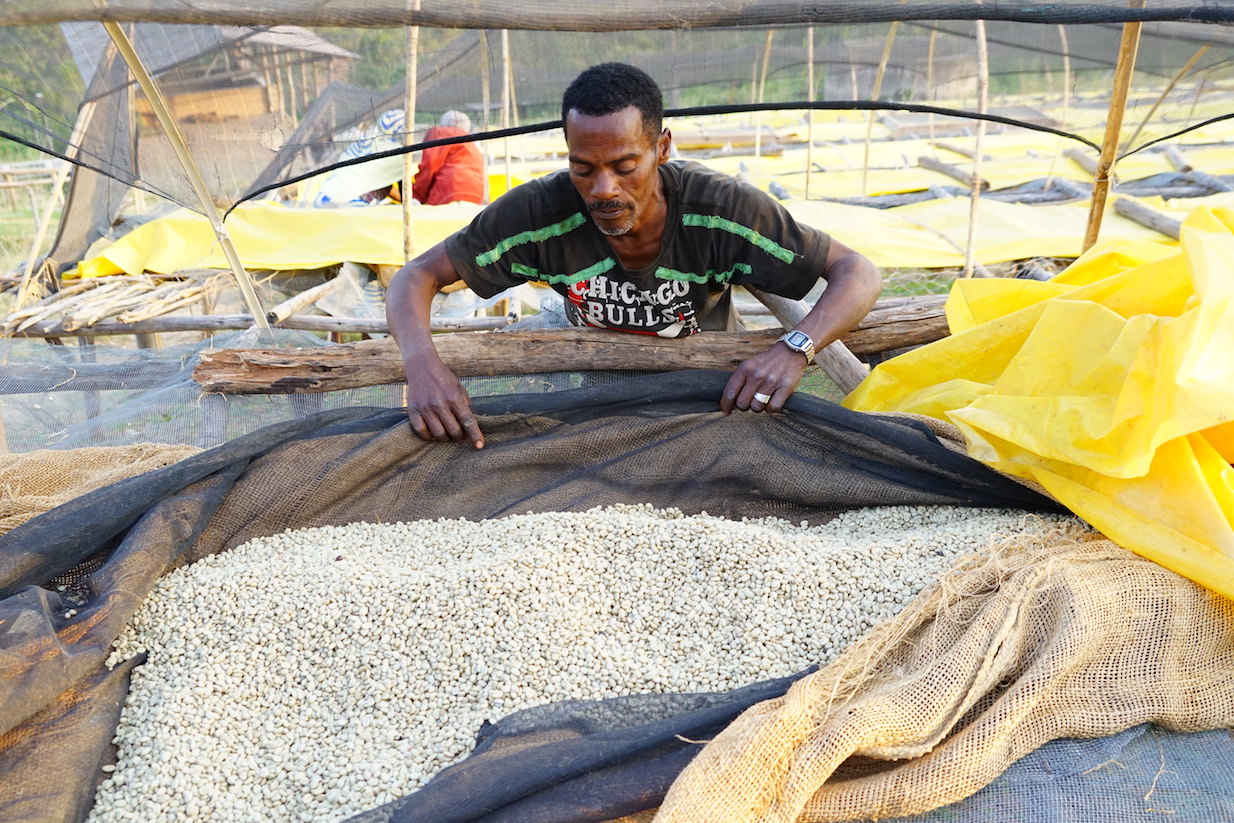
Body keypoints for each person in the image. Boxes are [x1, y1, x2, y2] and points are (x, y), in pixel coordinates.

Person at [386, 62, 882, 449]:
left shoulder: (721, 210)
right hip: (599, 372)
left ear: (661, 148)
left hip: (707, 383)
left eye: (625, 166)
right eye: (583, 168)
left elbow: (857, 272)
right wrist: (422, 364)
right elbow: (417, 276)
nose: (603, 189)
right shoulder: (540, 212)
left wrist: (796, 347)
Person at [410, 109, 487, 206]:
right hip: (476, 194)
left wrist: (417, 196)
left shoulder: (439, 134)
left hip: (448, 192)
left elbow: (429, 166)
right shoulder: (471, 143)